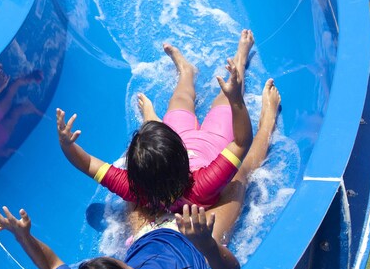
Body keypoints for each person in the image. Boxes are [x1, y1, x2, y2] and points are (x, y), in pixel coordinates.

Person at [0, 79, 280, 269]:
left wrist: (23, 236)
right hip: (195, 243)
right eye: (120, 266)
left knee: (143, 185)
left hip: (148, 234)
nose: (120, 260)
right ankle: (267, 121)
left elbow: (52, 265)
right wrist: (207, 244)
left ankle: (152, 128)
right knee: (240, 177)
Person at [57, 29, 256, 215]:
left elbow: (89, 164)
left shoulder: (136, 191)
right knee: (227, 96)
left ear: (134, 174)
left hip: (180, 137)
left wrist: (67, 146)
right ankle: (240, 58)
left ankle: (187, 72)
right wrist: (236, 99)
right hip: (214, 140)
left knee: (180, 100)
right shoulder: (204, 184)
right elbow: (241, 142)